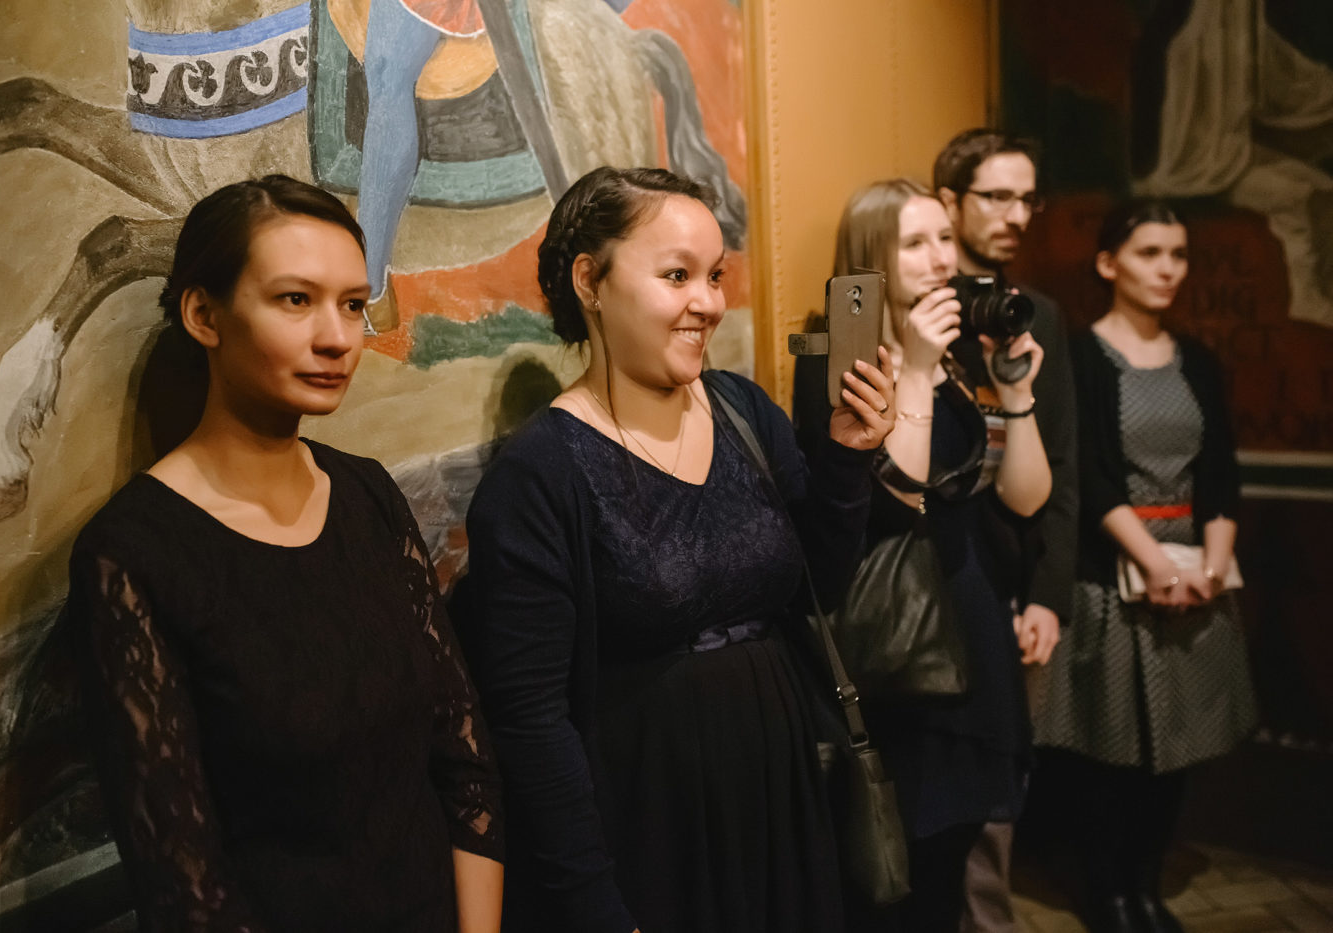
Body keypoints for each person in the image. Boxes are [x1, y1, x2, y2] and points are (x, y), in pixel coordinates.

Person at [454, 166, 897, 933]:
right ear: (590, 281)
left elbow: (816, 587)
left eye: (715, 276)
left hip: (778, 788)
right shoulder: (541, 473)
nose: (710, 301)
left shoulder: (742, 408)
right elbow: (530, 721)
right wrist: (594, 904)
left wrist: (848, 458)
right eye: (677, 275)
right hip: (649, 821)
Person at [65, 175, 504, 932]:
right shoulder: (133, 554)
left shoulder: (366, 494)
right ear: (204, 315)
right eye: (296, 300)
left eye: (353, 304)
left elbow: (464, 761)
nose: (337, 338)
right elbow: (184, 889)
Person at [807, 177, 1051, 933]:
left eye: (944, 237)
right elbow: (897, 496)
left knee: (952, 865)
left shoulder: (955, 356)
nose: (941, 257)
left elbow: (1025, 498)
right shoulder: (840, 356)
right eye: (915, 242)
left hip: (972, 622)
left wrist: (1016, 393)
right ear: (871, 257)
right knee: (903, 872)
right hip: (903, 645)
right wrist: (912, 368)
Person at [1030, 200, 1256, 933]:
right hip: (1118, 572)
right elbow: (1090, 474)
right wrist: (1156, 564)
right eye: (1150, 253)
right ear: (1108, 263)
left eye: (1178, 255)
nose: (1168, 269)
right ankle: (1109, 895)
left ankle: (1146, 886)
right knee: (1112, 750)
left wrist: (1211, 569)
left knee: (1178, 745)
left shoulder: (1198, 360)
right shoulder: (1083, 357)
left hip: (1195, 571)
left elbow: (1219, 472)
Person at [931, 128, 1081, 933]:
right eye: (997, 196)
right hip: (933, 588)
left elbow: (1065, 464)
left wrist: (1049, 594)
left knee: (1001, 798)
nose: (1018, 214)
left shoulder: (1037, 314)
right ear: (950, 201)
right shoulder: (920, 311)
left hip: (1014, 586)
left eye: (1028, 199)